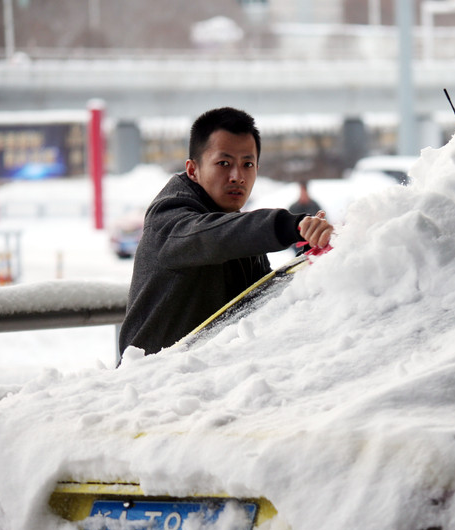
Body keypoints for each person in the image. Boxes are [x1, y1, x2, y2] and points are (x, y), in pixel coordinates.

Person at [118, 107, 333, 357]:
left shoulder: (234, 226)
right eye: (224, 163)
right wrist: (289, 225)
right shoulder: (169, 219)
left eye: (247, 164)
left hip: (208, 381)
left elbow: (264, 304)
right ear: (192, 170)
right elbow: (209, 237)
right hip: (149, 385)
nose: (237, 176)